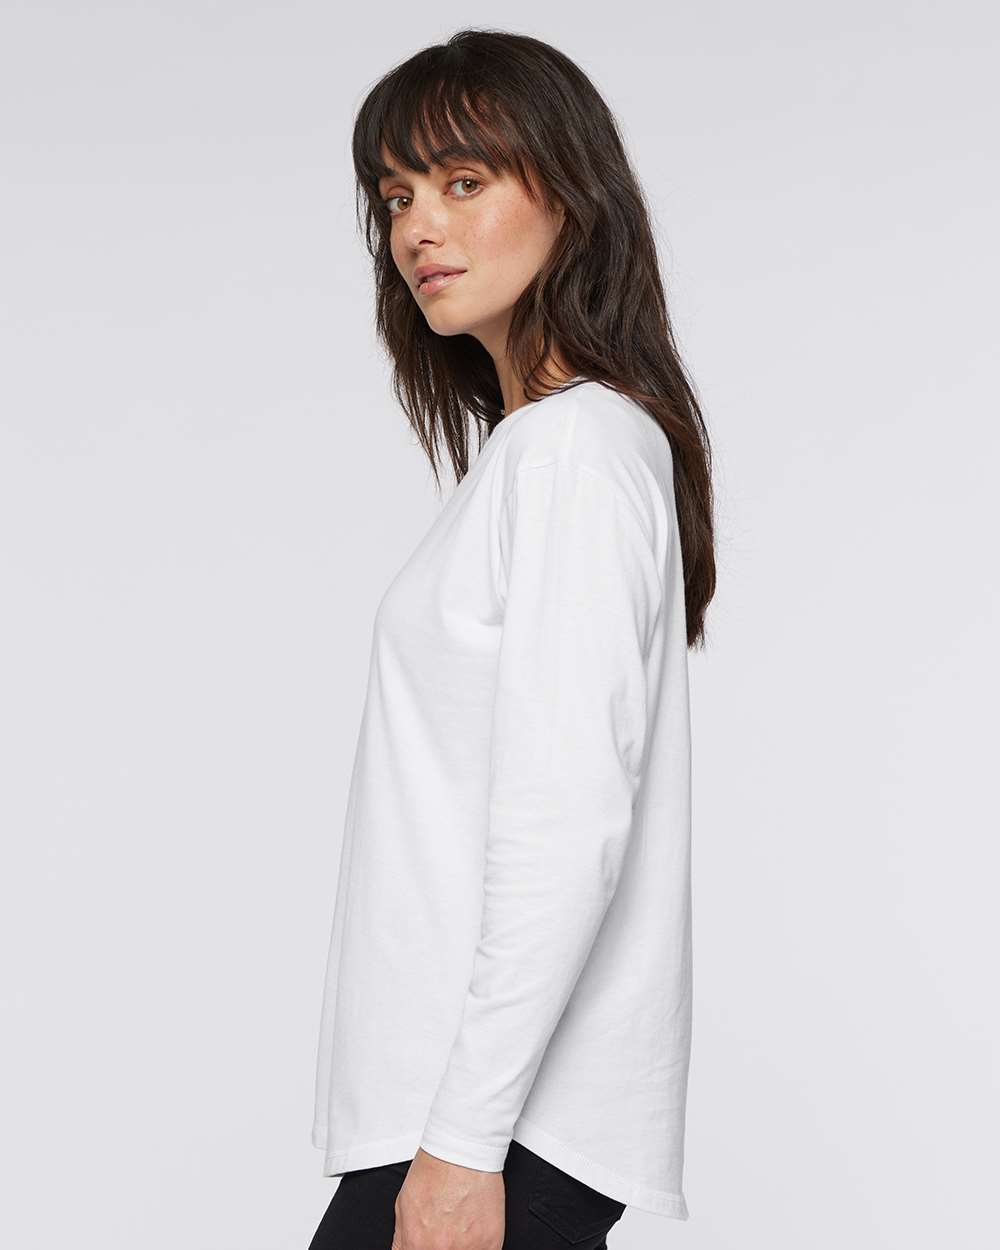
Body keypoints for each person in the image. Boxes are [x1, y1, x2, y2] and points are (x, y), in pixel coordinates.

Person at [308, 27, 715, 1250]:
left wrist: (462, 1143)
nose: (417, 229)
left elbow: (566, 819)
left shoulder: (573, 451)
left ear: (570, 196)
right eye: (396, 196)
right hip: (473, 1117)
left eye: (463, 181)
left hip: (494, 1127)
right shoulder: (539, 451)